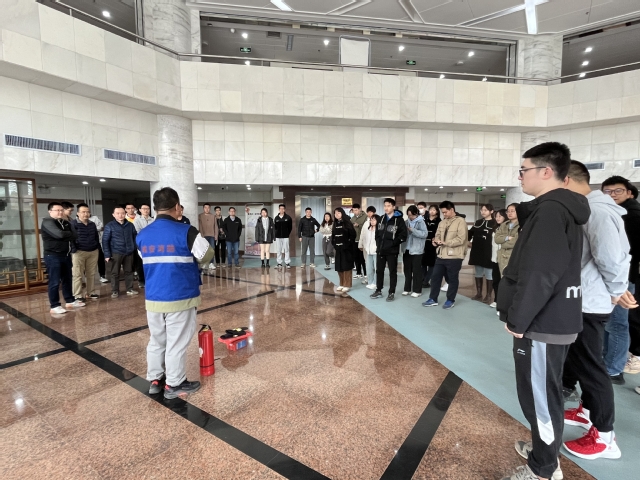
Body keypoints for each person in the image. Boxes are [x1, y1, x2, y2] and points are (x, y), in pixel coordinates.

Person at [498, 142, 590, 480]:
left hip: (541, 321)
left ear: (546, 171)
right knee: (544, 393)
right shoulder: (557, 208)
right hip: (551, 318)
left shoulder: (551, 211)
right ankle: (543, 453)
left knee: (540, 398)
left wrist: (518, 319)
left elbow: (541, 273)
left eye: (524, 170)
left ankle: (544, 470)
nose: (520, 177)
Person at [555, 160, 636, 461]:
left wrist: (617, 290)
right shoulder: (587, 208)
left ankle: (604, 437)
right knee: (579, 361)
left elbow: (612, 257)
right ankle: (587, 412)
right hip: (582, 298)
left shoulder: (597, 211)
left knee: (591, 366)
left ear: (567, 180)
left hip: (590, 302)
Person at [136, 187, 214, 399]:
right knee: (177, 342)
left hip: (153, 298)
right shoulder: (186, 231)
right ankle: (174, 383)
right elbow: (207, 255)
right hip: (180, 296)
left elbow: (146, 259)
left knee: (157, 340)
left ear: (155, 208)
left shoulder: (142, 235)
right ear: (177, 206)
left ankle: (155, 379)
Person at [601, 175, 640, 384]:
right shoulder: (617, 213)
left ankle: (614, 369)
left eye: (617, 191)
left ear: (629, 193)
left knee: (617, 324)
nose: (612, 195)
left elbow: (625, 251)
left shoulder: (631, 216)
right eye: (607, 191)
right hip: (616, 276)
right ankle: (608, 363)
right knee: (610, 323)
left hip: (623, 278)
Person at [422, 201, 467, 310]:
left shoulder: (461, 222)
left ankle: (450, 300)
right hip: (441, 255)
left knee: (452, 279)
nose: (444, 214)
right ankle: (433, 299)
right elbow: (437, 235)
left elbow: (461, 239)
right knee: (435, 277)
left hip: (455, 256)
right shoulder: (442, 222)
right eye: (442, 213)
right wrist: (435, 241)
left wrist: (446, 243)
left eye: (445, 212)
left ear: (452, 210)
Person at [41, 202, 84, 314]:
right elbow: (59, 235)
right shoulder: (47, 222)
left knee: (67, 279)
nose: (60, 212)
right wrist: (67, 234)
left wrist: (65, 234)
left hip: (66, 254)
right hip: (53, 255)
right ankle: (54, 306)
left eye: (61, 210)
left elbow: (75, 235)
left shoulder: (65, 222)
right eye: (57, 210)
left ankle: (70, 301)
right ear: (50, 211)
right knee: (55, 281)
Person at [370, 198, 407, 302]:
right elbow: (377, 233)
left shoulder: (399, 220)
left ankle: (391, 292)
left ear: (393, 207)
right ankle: (378, 290)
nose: (386, 208)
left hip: (392, 251)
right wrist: (378, 244)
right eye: (385, 206)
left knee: (392, 272)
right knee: (379, 271)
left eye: (388, 206)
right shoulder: (381, 218)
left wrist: (392, 244)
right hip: (381, 250)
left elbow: (403, 235)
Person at [103, 206, 139, 298]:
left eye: (122, 213)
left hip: (129, 252)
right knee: (115, 273)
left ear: (125, 214)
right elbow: (105, 241)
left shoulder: (130, 225)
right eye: (118, 213)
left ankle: (129, 289)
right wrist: (107, 254)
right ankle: (115, 291)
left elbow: (135, 237)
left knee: (129, 271)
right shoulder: (109, 226)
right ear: (113, 215)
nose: (120, 215)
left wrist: (134, 248)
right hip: (116, 252)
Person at [468, 204, 497, 304]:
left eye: (485, 210)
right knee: (478, 272)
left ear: (491, 211)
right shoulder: (478, 222)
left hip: (489, 251)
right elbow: (470, 233)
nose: (483, 212)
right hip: (477, 250)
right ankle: (479, 293)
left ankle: (488, 295)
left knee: (489, 273)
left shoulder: (495, 222)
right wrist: (467, 241)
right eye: (482, 210)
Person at [71, 203, 100, 301]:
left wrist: (97, 247)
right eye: (83, 212)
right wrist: (74, 249)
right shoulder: (73, 224)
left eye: (88, 212)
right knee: (78, 274)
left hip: (93, 251)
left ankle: (90, 292)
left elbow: (96, 236)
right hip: (79, 252)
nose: (86, 214)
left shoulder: (92, 224)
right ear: (78, 213)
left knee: (91, 273)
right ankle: (77, 295)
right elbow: (71, 239)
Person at [402, 205, 428, 298]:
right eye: (409, 215)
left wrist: (413, 230)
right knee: (407, 270)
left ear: (416, 214)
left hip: (417, 250)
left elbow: (424, 234)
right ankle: (407, 289)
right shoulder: (406, 222)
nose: (410, 217)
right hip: (407, 249)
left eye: (412, 215)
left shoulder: (421, 222)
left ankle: (417, 290)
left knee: (416, 271)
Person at [332, 207, 356, 297]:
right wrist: (334, 244)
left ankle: (347, 284)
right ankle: (341, 283)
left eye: (338, 213)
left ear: (342, 213)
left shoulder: (348, 222)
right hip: (338, 248)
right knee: (339, 266)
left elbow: (353, 235)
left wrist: (347, 244)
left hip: (347, 249)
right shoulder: (335, 223)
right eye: (335, 213)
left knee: (346, 266)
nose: (337, 215)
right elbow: (333, 236)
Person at [489, 209, 507, 310]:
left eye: (500, 216)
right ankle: (496, 300)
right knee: (496, 281)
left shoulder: (508, 228)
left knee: (504, 281)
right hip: (495, 258)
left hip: (505, 259)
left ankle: (503, 302)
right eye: (496, 216)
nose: (497, 218)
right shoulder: (495, 228)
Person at [133, 203, 154, 287]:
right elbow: (138, 232)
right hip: (141, 244)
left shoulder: (153, 220)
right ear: (140, 210)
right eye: (144, 208)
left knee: (151, 262)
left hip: (152, 244)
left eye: (147, 208)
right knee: (140, 263)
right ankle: (141, 280)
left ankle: (150, 280)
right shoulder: (137, 220)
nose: (146, 210)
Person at [422, 204, 441, 288]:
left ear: (437, 211)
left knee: (432, 264)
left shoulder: (439, 221)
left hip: (433, 244)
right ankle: (424, 280)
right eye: (431, 209)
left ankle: (426, 281)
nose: (432, 211)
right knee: (423, 263)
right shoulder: (424, 219)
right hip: (423, 244)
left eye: (434, 210)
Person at [359, 214, 379, 290]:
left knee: (376, 268)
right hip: (369, 251)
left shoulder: (379, 230)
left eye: (374, 220)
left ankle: (375, 283)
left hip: (376, 252)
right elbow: (365, 239)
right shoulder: (368, 229)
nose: (372, 221)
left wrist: (377, 248)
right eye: (371, 220)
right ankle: (370, 282)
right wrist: (366, 247)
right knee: (369, 268)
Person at [88, 212, 108, 284]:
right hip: (85, 245)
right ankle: (87, 278)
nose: (87, 213)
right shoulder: (77, 221)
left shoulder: (95, 218)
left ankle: (102, 276)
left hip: (96, 243)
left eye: (88, 211)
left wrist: (93, 229)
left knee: (100, 260)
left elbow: (101, 226)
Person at [198, 203, 218, 270]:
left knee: (211, 250)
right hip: (203, 236)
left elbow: (216, 226)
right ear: (203, 208)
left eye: (208, 208)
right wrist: (201, 235)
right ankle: (204, 263)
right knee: (204, 250)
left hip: (211, 236)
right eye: (205, 208)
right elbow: (199, 226)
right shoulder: (200, 216)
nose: (207, 209)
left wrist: (216, 236)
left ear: (210, 208)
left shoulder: (213, 216)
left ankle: (211, 263)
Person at [274, 204, 293, 269]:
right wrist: (276, 234)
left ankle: (287, 262)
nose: (281, 210)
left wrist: (287, 233)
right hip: (278, 237)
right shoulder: (276, 218)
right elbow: (275, 227)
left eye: (283, 208)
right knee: (278, 250)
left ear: (284, 209)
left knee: (286, 250)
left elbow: (290, 227)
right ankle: (279, 263)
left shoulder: (288, 218)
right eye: (280, 208)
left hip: (285, 236)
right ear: (279, 209)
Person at [351, 204, 367, 279]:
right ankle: (358, 273)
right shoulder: (353, 218)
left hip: (362, 240)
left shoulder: (365, 217)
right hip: (355, 240)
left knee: (362, 258)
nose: (355, 212)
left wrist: (359, 225)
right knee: (356, 257)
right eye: (353, 210)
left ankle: (366, 273)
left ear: (360, 209)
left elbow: (367, 227)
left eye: (356, 210)